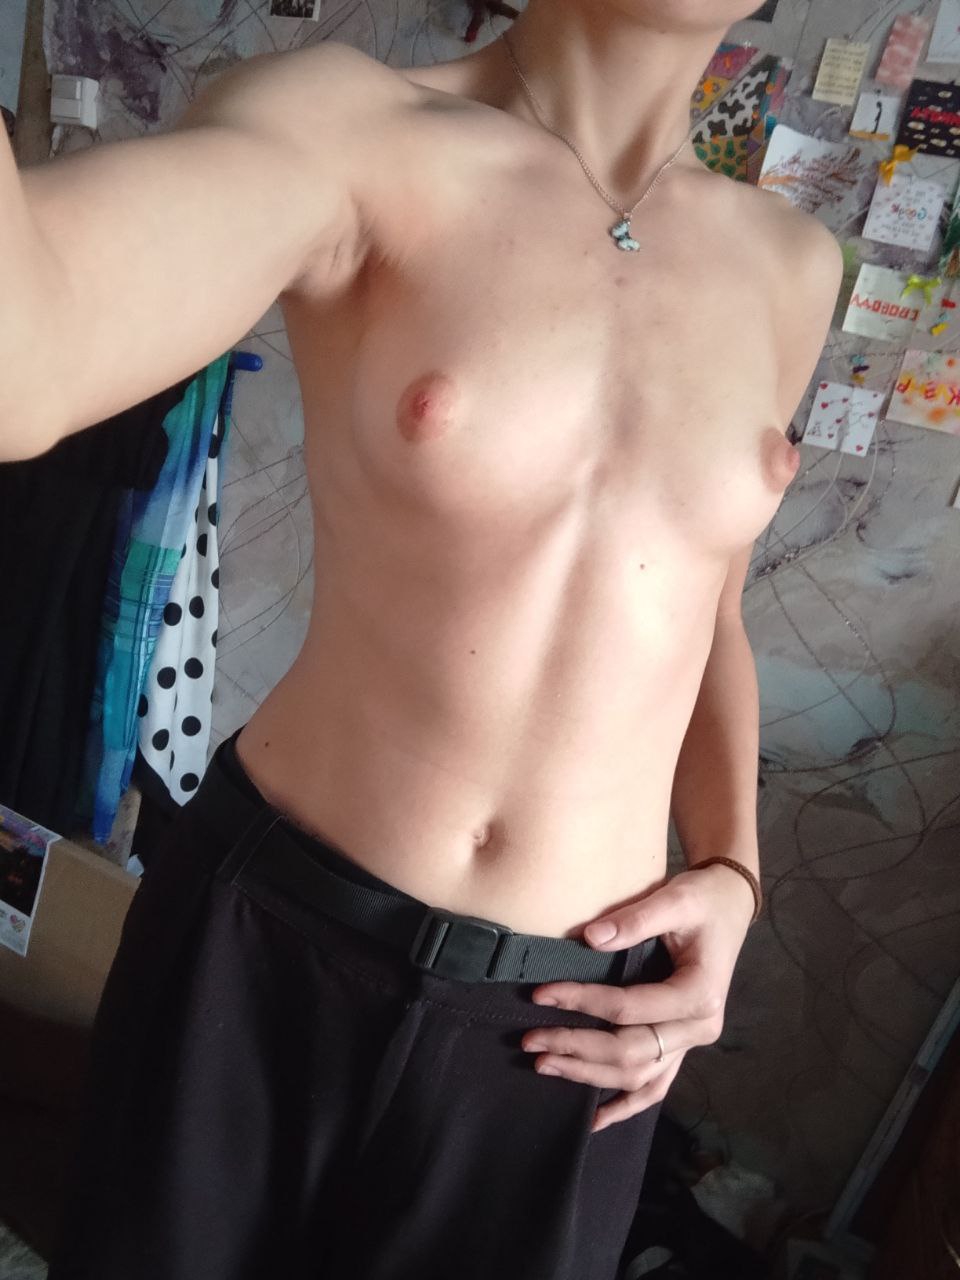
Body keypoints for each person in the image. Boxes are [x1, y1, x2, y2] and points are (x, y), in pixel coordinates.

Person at [2, 1, 843, 1276]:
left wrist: (734, 869)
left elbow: (705, 599)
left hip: (570, 1025)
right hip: (265, 946)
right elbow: (26, 353)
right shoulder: (351, 130)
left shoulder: (792, 265)